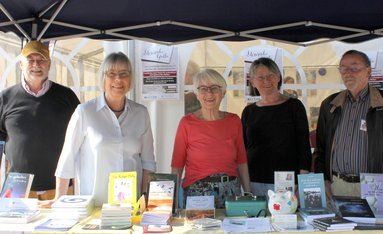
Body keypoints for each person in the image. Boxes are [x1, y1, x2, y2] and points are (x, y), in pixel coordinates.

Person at [40, 52, 156, 206]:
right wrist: (58, 198)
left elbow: (148, 162)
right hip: (94, 205)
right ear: (103, 77)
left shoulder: (141, 113)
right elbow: (67, 157)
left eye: (124, 74)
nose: (118, 79)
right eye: (112, 74)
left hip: (131, 207)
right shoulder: (84, 112)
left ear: (130, 78)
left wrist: (145, 200)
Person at [314, 49, 383, 200]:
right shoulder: (329, 105)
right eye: (343, 68)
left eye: (354, 68)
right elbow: (320, 149)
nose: (347, 73)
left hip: (375, 188)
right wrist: (324, 179)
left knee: (374, 225)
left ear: (368, 72)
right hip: (337, 186)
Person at [0, 41, 80, 200]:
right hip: (16, 191)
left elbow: (81, 140)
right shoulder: (5, 98)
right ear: (21, 64)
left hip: (59, 190)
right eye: (30, 60)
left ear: (49, 64)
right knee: (15, 227)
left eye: (42, 60)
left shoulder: (67, 96)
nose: (36, 64)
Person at [171, 69, 251, 208]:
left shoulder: (234, 120)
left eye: (215, 88)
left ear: (223, 93)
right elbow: (177, 166)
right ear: (196, 93)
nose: (209, 93)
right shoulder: (187, 123)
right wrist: (173, 203)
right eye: (203, 88)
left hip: (231, 191)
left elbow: (242, 161)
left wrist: (248, 194)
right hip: (197, 193)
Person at [241, 58, 311, 196]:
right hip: (255, 181)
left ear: (278, 77)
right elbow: (242, 150)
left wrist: (302, 184)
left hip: (287, 182)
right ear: (253, 82)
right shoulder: (248, 112)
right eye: (260, 77)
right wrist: (246, 186)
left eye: (270, 75)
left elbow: (304, 147)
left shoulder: (294, 106)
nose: (266, 81)